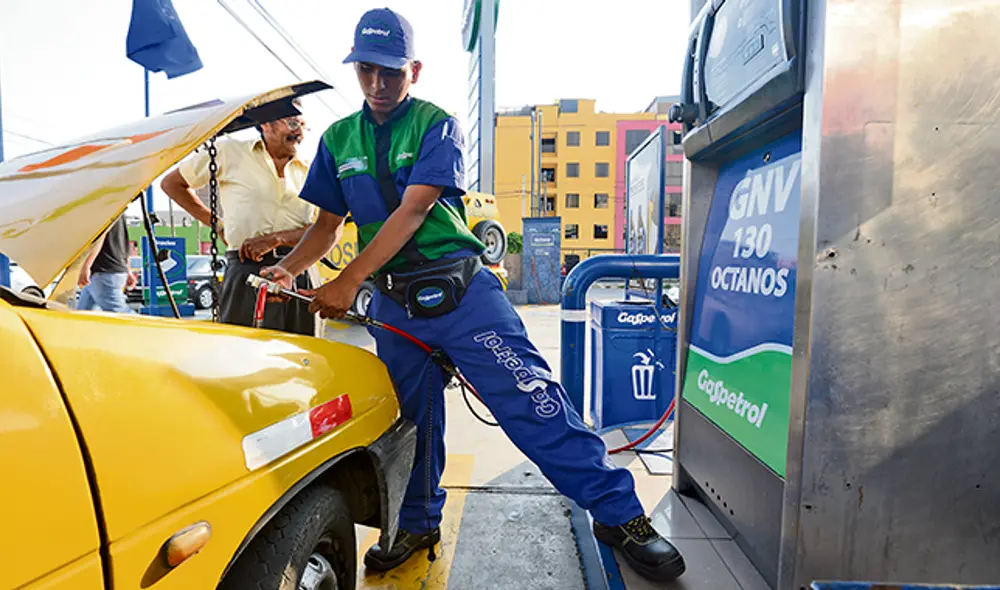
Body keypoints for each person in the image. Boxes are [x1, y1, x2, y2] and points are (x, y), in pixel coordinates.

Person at [262, 8, 686, 584]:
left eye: (391, 72)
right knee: (410, 422)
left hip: (460, 294)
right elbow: (328, 225)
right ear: (355, 69)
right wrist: (290, 269)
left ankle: (621, 516)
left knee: (534, 403)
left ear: (414, 69)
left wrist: (347, 280)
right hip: (394, 305)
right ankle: (416, 522)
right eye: (366, 71)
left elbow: (413, 211)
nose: (379, 85)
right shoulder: (339, 140)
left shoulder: (436, 124)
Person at [160, 99, 319, 335]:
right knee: (242, 355)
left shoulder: (312, 169)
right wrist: (219, 227)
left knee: (304, 356)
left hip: (299, 271)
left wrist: (276, 239)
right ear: (266, 124)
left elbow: (323, 229)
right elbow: (172, 184)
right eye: (292, 123)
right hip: (247, 272)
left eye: (303, 126)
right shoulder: (229, 152)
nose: (299, 133)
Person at [76, 214, 137, 313]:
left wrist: (86, 266)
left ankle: (145, 328)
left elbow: (100, 238)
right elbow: (124, 242)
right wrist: (128, 270)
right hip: (111, 271)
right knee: (83, 314)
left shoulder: (103, 209)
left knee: (122, 314)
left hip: (103, 272)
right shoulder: (119, 211)